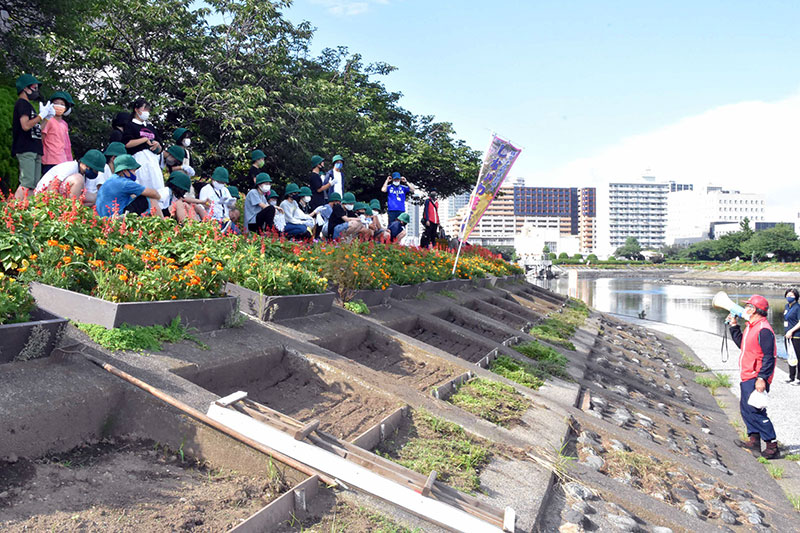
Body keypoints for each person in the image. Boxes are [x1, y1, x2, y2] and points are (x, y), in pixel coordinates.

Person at [729, 295, 779, 459]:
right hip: (747, 374)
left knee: (755, 410)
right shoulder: (751, 326)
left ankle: (772, 445)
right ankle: (754, 440)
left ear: (756, 310)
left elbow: (769, 356)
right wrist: (734, 327)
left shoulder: (764, 329)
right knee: (746, 409)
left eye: (749, 306)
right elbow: (742, 345)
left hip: (756, 376)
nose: (746, 309)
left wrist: (762, 378)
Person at [12, 74, 49, 199]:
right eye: (34, 87)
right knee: (26, 182)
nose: (35, 90)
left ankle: (28, 210)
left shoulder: (29, 106)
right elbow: (25, 126)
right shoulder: (22, 104)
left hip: (35, 148)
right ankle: (12, 210)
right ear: (25, 88)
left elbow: (37, 128)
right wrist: (40, 116)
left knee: (34, 184)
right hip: (25, 148)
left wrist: (46, 119)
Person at [95, 155, 161, 218]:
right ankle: (163, 226)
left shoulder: (112, 179)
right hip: (116, 218)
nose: (135, 173)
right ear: (125, 171)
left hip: (104, 218)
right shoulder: (125, 183)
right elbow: (154, 194)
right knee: (151, 199)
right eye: (133, 170)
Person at [122, 98, 164, 191]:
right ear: (136, 110)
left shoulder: (150, 126)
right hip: (139, 159)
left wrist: (157, 145)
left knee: (157, 186)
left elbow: (161, 146)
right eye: (144, 109)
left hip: (153, 160)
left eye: (148, 110)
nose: (147, 112)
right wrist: (144, 140)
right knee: (143, 185)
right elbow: (127, 144)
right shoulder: (130, 125)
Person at [34, 149, 105, 199]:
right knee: (78, 179)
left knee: (94, 198)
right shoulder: (71, 167)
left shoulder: (83, 174)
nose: (97, 173)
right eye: (96, 171)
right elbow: (53, 185)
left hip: (61, 195)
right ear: (87, 166)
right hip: (44, 193)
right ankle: (70, 211)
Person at [41, 91, 74, 174]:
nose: (59, 106)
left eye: (62, 104)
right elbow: (41, 137)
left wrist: (69, 161)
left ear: (66, 108)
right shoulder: (48, 120)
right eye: (56, 103)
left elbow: (67, 145)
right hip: (49, 160)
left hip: (62, 160)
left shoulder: (64, 124)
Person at [199, 166, 236, 231]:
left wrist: (231, 204)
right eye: (219, 182)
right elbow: (202, 206)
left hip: (226, 220)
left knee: (238, 233)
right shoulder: (205, 189)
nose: (221, 184)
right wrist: (208, 204)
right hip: (213, 220)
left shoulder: (225, 190)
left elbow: (231, 206)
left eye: (223, 183)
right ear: (213, 179)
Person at [784, 288, 800, 385]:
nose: (789, 297)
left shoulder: (798, 307)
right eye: (788, 295)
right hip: (787, 335)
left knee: (798, 357)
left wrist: (791, 331)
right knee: (790, 356)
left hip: (796, 336)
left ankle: (799, 379)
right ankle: (791, 377)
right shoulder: (787, 306)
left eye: (791, 296)